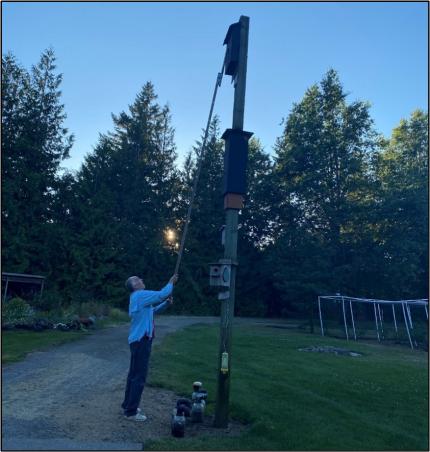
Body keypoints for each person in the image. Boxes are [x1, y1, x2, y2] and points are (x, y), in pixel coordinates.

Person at [121, 273, 178, 421]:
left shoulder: (136, 299)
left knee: (133, 375)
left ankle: (128, 405)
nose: (141, 279)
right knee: (139, 376)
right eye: (137, 279)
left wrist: (165, 304)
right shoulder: (140, 295)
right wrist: (171, 282)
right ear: (134, 286)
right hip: (141, 341)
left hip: (136, 341)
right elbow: (162, 294)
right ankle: (131, 412)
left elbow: (152, 312)